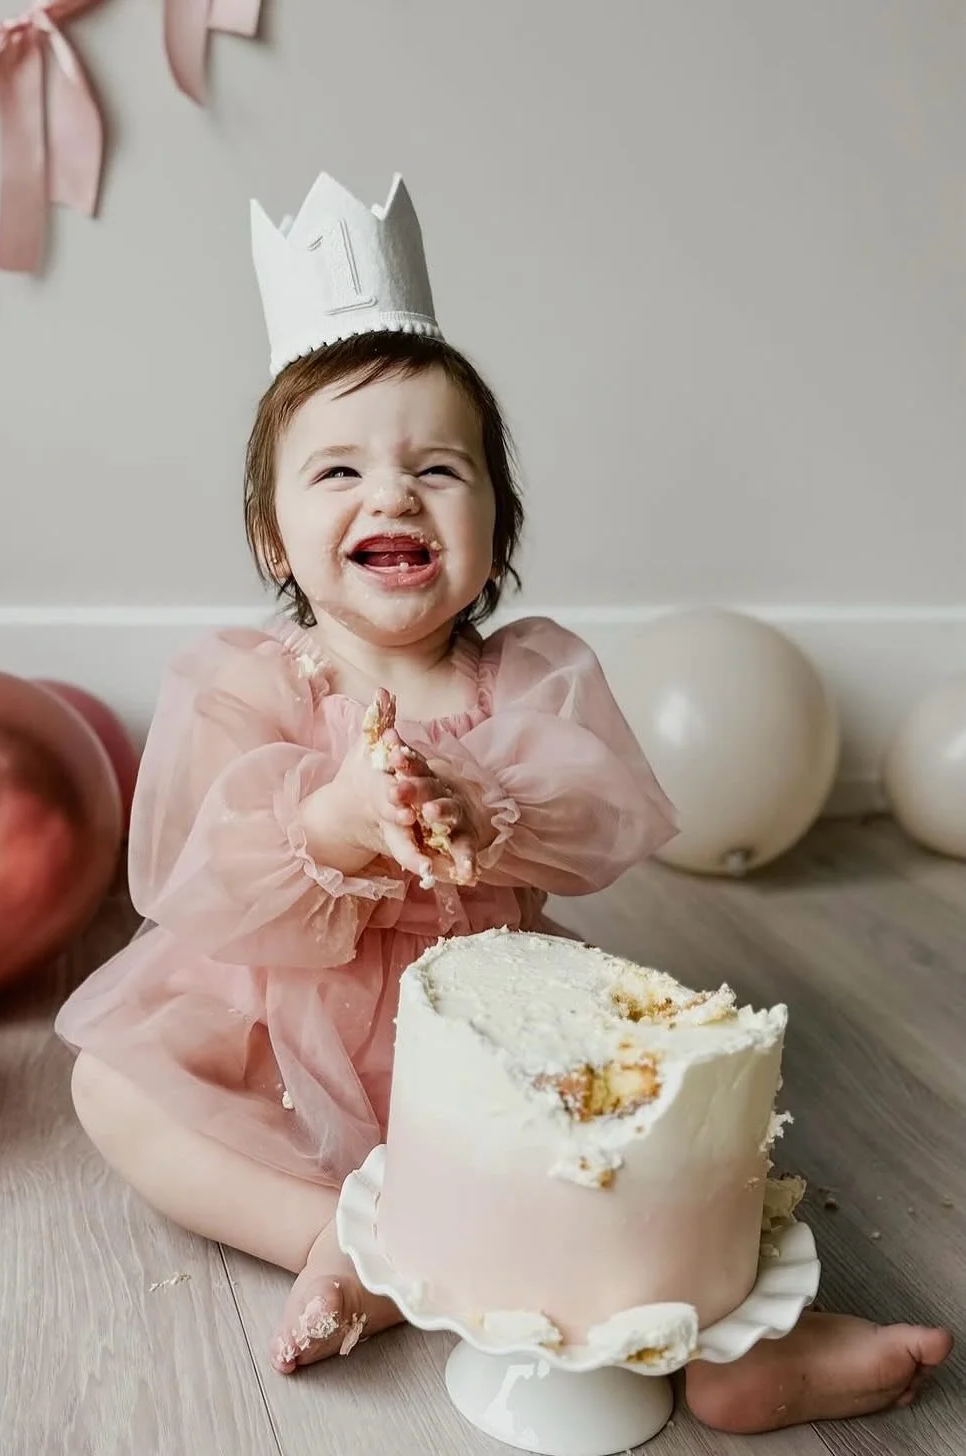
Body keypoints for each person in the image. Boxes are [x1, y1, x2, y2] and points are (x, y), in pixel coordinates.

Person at [57, 172, 951, 1432]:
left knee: (665, 1151)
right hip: (286, 1030)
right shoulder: (245, 680)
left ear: (495, 524)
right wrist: (337, 821)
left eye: (438, 467)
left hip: (492, 1016)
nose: (392, 495)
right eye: (338, 472)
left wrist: (481, 805)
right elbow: (198, 880)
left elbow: (605, 815)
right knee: (111, 1089)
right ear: (273, 534)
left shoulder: (523, 672)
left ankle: (742, 1347)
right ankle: (342, 1239)